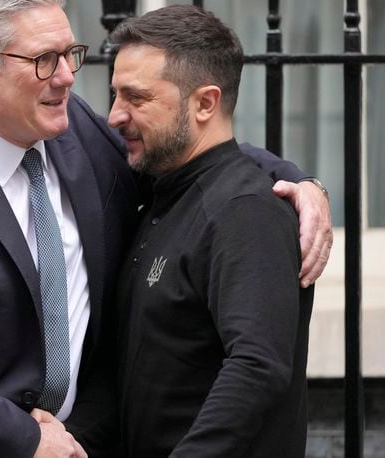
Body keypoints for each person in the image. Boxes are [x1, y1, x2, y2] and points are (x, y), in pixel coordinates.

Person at [0, 1, 329, 457]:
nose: (67, 77)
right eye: (44, 59)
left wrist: (296, 180)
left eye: (71, 54)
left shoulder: (76, 131)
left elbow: (193, 150)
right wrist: (25, 437)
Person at [108, 5, 314, 457]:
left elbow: (258, 367)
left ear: (205, 103)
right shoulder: (162, 195)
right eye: (115, 96)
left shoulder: (245, 212)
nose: (114, 116)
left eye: (135, 98)